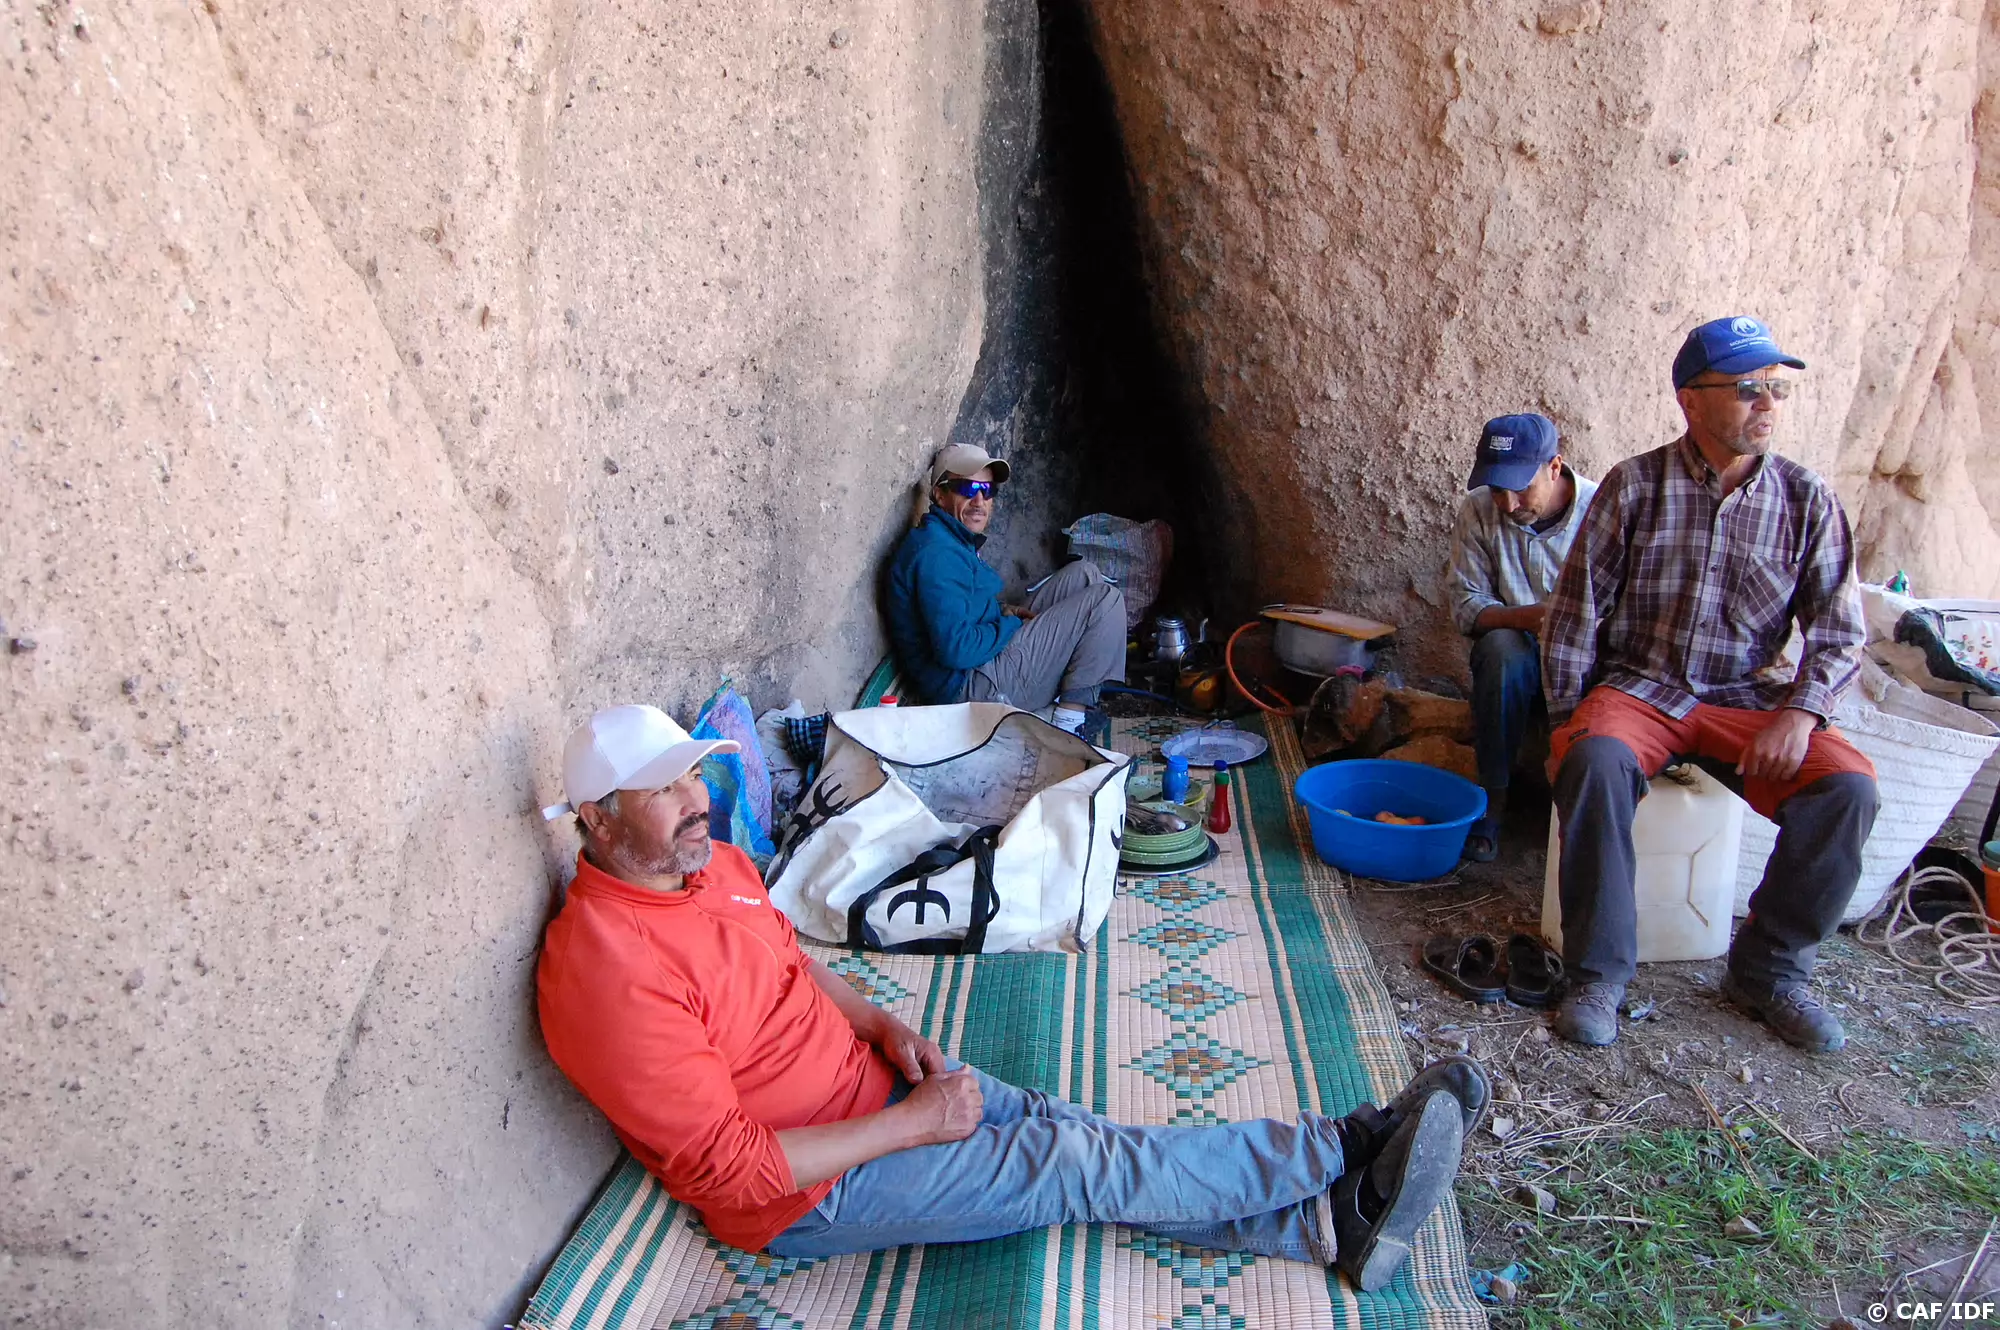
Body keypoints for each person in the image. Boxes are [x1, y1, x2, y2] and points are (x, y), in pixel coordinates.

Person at [537, 703, 1489, 1292]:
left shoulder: (713, 865)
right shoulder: (607, 971)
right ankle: (1346, 1147)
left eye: (694, 774)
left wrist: (882, 1025)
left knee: (1070, 1133)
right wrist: (912, 1126)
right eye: (664, 791)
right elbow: (738, 1174)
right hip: (811, 1192)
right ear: (597, 820)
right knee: (1068, 1160)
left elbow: (791, 964)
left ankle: (1324, 1223)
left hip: (872, 1085)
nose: (698, 800)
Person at [1539, 316, 1879, 1051]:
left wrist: (1803, 714)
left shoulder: (1806, 499)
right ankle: (1597, 974)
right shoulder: (1635, 485)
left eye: (1776, 388)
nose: (1768, 403)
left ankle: (1768, 971)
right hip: (1642, 689)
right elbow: (1575, 615)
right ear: (1691, 400)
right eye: (1747, 387)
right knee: (1592, 760)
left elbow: (1840, 632)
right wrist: (1565, 722)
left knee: (1848, 789)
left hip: (1747, 699)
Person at [882, 443, 1125, 733]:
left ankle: (1070, 694)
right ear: (940, 494)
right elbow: (957, 650)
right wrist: (1010, 625)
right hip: (974, 688)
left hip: (982, 666)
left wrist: (1002, 611)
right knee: (1106, 599)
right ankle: (1068, 724)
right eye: (968, 488)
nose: (979, 501)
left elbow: (957, 608)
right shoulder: (938, 554)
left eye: (988, 490)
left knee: (1084, 574)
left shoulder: (948, 538)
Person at [1447, 413, 1599, 862]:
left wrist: (1568, 624)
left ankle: (1577, 819)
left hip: (1585, 658)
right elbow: (1466, 605)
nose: (1509, 504)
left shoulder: (1602, 510)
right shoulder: (1478, 510)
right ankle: (1491, 803)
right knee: (1500, 651)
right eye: (1498, 489)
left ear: (1555, 467)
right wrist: (1531, 617)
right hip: (1518, 653)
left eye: (1521, 488)